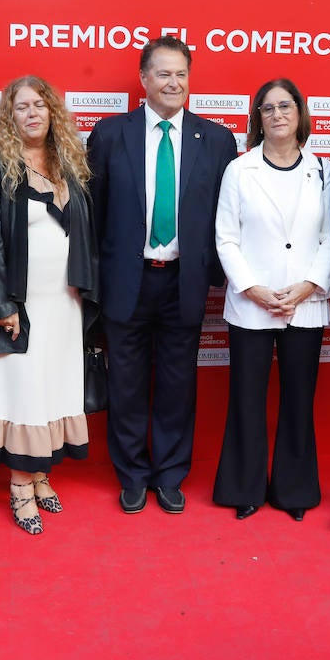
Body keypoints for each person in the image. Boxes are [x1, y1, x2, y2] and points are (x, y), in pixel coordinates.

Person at [87, 35, 238, 514]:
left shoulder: (216, 140)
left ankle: (170, 475)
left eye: (181, 74)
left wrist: (213, 273)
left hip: (183, 283)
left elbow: (226, 216)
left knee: (178, 385)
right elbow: (95, 215)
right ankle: (131, 475)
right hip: (125, 282)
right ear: (144, 79)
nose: (174, 83)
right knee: (127, 384)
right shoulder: (110, 135)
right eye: (164, 73)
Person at [0, 76, 99, 534]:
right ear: (9, 115)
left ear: (52, 113)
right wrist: (3, 304)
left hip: (63, 304)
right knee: (22, 389)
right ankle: (20, 486)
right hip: (18, 307)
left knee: (52, 387)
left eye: (40, 105)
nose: (32, 114)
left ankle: (41, 472)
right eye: (21, 107)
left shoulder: (69, 162)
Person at [212, 78, 330, 521]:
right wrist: (252, 289)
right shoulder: (239, 169)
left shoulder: (321, 168)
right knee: (247, 397)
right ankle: (245, 488)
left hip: (305, 303)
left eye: (286, 106)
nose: (278, 114)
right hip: (252, 305)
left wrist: (308, 286)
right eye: (268, 108)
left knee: (299, 399)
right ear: (257, 119)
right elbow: (225, 239)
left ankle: (294, 491)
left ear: (300, 113)